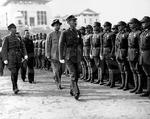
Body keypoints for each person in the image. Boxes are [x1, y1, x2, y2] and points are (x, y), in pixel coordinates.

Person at [59, 15, 83, 100]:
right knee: (73, 73)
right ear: (68, 22)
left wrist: (81, 55)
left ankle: (72, 89)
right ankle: (76, 92)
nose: (75, 22)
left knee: (77, 75)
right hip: (68, 56)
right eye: (73, 21)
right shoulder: (65, 32)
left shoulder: (78, 32)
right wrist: (61, 57)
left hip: (77, 56)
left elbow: (81, 44)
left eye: (75, 20)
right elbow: (61, 45)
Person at [1, 23, 27, 94]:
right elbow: (4, 49)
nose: (15, 30)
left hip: (18, 58)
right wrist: (5, 59)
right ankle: (14, 87)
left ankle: (15, 85)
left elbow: (23, 47)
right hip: (11, 58)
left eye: (15, 28)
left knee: (16, 73)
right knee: (14, 72)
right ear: (9, 30)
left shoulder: (18, 38)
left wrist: (25, 54)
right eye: (13, 29)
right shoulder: (6, 38)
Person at [46, 19, 64, 89]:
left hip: (61, 55)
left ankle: (56, 77)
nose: (57, 26)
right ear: (53, 26)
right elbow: (47, 45)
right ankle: (58, 83)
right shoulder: (50, 35)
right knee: (56, 70)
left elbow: (64, 44)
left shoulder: (62, 34)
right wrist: (48, 54)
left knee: (61, 70)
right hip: (53, 56)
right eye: (56, 25)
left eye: (58, 25)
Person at [128, 18, 143, 94]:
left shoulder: (139, 33)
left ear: (136, 24)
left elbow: (140, 46)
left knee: (138, 71)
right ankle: (136, 87)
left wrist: (139, 55)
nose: (130, 25)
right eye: (129, 24)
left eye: (131, 23)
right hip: (130, 53)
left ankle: (139, 88)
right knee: (133, 70)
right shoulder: (130, 33)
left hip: (136, 53)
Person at [115, 21, 130, 91]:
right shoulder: (118, 34)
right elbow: (116, 45)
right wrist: (116, 53)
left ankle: (126, 85)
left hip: (124, 53)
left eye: (120, 26)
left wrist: (127, 54)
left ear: (124, 26)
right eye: (118, 26)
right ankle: (123, 84)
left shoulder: (127, 34)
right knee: (121, 70)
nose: (118, 27)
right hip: (118, 53)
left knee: (126, 70)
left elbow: (128, 46)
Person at [102, 22, 116, 88]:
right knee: (108, 68)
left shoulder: (112, 34)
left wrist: (112, 54)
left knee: (111, 68)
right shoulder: (104, 34)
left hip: (109, 51)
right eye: (104, 26)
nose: (104, 27)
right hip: (105, 51)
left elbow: (113, 45)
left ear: (109, 26)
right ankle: (110, 81)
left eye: (105, 26)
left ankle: (112, 82)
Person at [139, 16, 150, 99]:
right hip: (143, 54)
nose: (143, 24)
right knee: (147, 74)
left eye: (144, 22)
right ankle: (148, 90)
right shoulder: (142, 33)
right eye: (142, 23)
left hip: (149, 54)